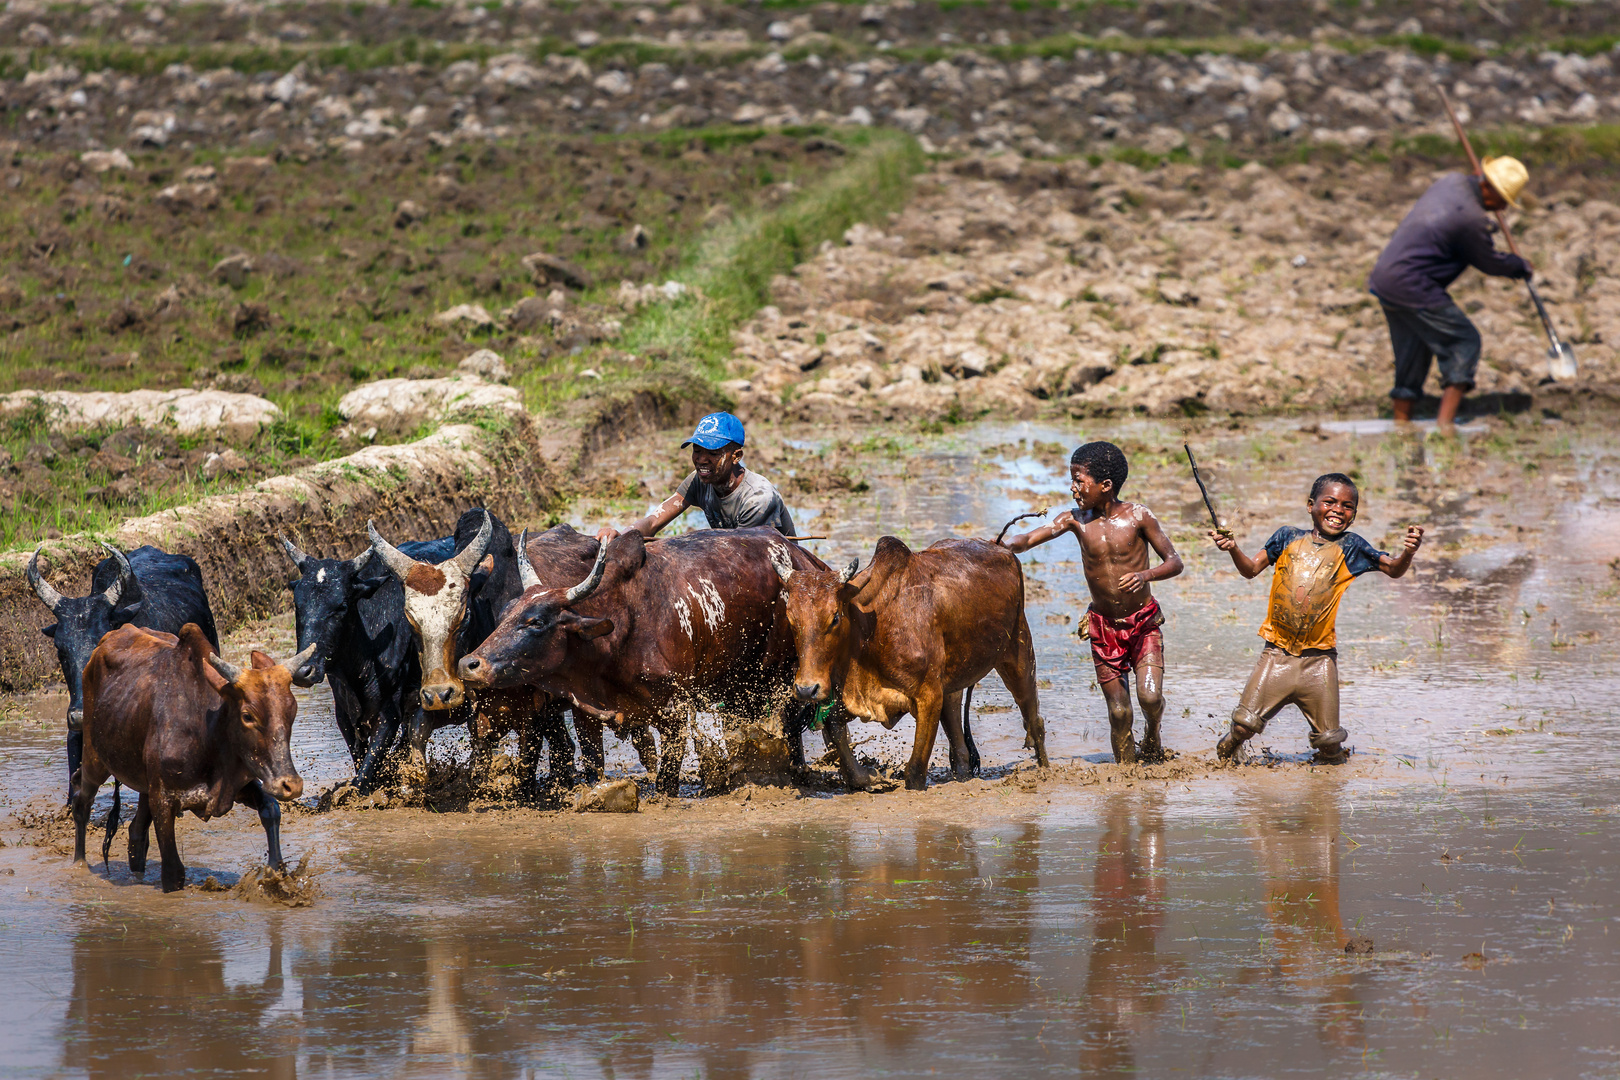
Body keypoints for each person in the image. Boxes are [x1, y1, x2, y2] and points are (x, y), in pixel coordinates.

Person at [1209, 473, 1423, 765]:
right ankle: (1225, 762)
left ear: (1354, 515)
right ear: (1311, 505)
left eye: (1347, 506)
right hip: (1277, 655)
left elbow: (1394, 569)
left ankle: (1325, 797)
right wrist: (1233, 547)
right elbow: (1250, 569)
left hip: (1320, 662)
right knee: (1242, 726)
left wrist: (1408, 552)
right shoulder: (1286, 537)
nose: (1338, 510)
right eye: (1330, 502)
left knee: (1330, 744)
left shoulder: (1352, 547)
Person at [1000, 441, 1183, 764]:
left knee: (1150, 697)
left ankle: (1153, 732)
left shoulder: (1139, 516)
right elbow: (1030, 538)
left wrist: (1145, 576)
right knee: (1119, 711)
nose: (1073, 489)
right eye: (1072, 480)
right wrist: (1001, 544)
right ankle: (1126, 775)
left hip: (1143, 623)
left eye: (1079, 481)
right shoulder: (1075, 520)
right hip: (1104, 627)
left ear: (1106, 485)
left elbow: (1174, 561)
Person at [1367, 155, 1533, 433]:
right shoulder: (1471, 219)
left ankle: (1401, 427)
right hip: (1414, 286)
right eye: (1502, 199)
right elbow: (1488, 262)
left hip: (1387, 278)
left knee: (1412, 352)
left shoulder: (1451, 182)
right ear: (1487, 187)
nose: (1502, 207)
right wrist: (1519, 266)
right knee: (1465, 342)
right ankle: (1446, 426)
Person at [596, 411, 795, 542]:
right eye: (697, 451)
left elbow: (740, 556)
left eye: (713, 453)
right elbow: (654, 521)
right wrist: (621, 536)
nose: (702, 460)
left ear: (736, 456)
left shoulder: (758, 499)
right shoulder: (699, 480)